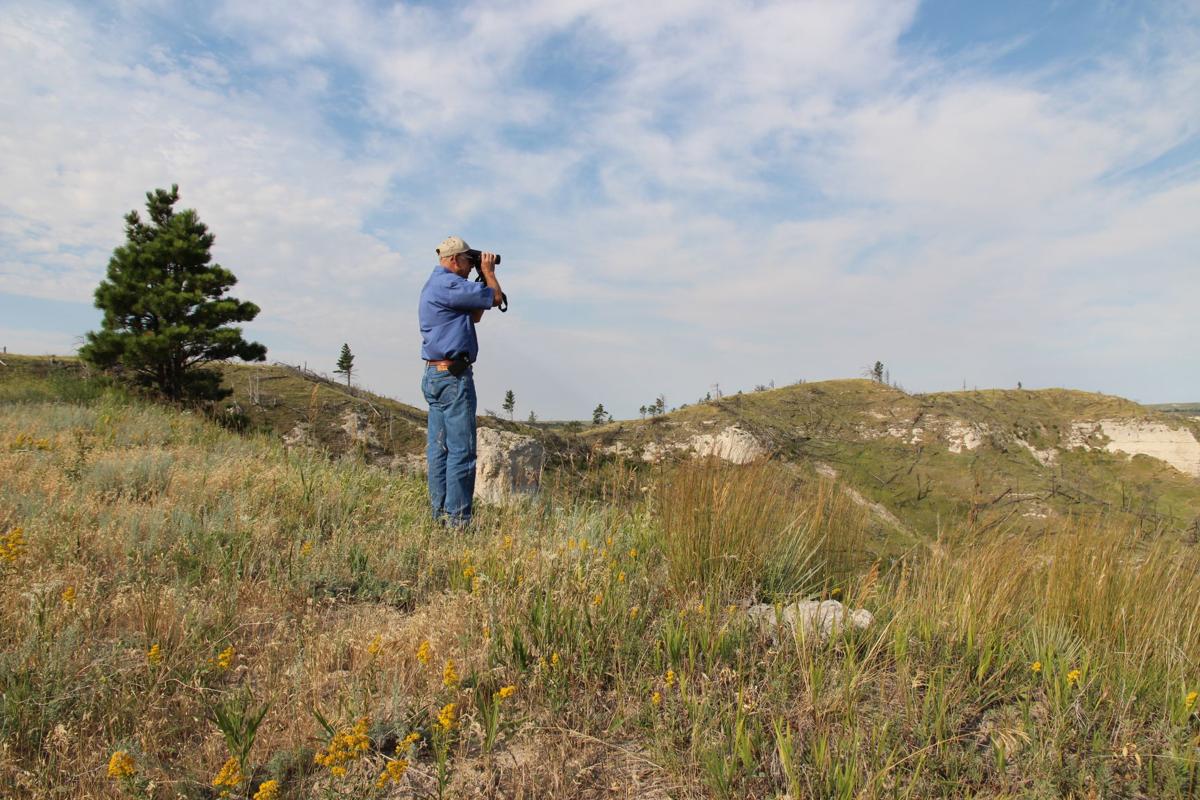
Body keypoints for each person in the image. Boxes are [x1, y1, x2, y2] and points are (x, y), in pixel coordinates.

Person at [418, 235, 503, 526]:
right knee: (462, 451)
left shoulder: (439, 285)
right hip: (454, 377)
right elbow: (495, 299)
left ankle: (439, 515)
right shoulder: (450, 284)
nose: (471, 266)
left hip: (435, 375)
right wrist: (490, 274)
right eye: (468, 261)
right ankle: (458, 521)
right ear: (454, 260)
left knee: (439, 449)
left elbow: (476, 315)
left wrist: (480, 277)